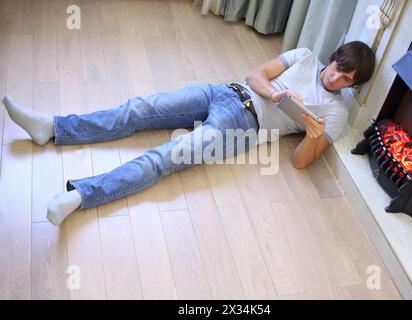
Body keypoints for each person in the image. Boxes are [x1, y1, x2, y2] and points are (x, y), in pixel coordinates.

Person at [1, 41, 375, 225]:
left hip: (243, 126)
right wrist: (276, 92)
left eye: (346, 78)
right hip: (223, 91)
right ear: (336, 56)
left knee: (167, 156)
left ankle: (81, 195)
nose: (336, 77)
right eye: (339, 67)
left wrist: (312, 134)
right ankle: (52, 128)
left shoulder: (335, 113)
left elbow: (299, 163)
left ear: (352, 85)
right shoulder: (306, 56)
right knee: (139, 108)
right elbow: (254, 75)